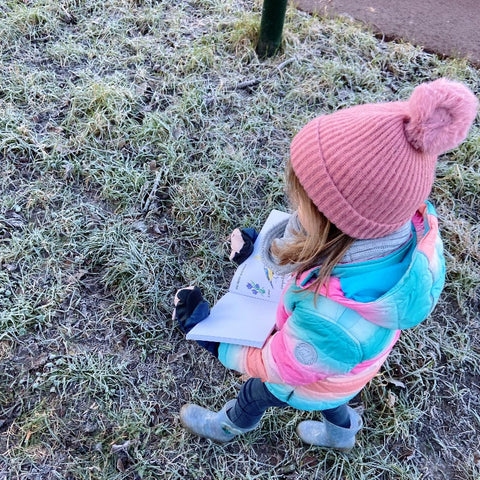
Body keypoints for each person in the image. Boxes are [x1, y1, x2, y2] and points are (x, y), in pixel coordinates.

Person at [173, 78, 478, 449]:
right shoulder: (398, 228)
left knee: (256, 393)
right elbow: (313, 240)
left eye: (303, 203)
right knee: (337, 399)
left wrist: (211, 337)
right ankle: (342, 434)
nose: (295, 209)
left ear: (335, 223)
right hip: (345, 370)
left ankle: (226, 428)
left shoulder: (328, 320)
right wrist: (261, 250)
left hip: (310, 376)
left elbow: (278, 365)